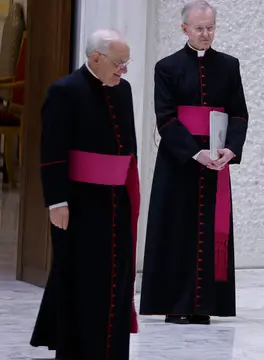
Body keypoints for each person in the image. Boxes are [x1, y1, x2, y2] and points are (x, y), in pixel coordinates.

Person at [30, 29, 139, 359]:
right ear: (95, 58)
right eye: (119, 63)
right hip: (78, 203)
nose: (124, 70)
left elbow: (128, 147)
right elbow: (52, 151)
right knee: (82, 279)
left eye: (126, 62)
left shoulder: (124, 91)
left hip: (116, 201)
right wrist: (57, 201)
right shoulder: (64, 91)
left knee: (117, 280)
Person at [140, 0, 249, 325]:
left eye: (211, 27)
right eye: (200, 28)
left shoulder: (229, 65)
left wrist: (230, 149)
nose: (206, 34)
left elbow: (239, 113)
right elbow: (166, 120)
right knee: (176, 230)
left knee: (209, 233)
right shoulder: (167, 67)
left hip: (216, 162)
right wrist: (195, 153)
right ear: (184, 28)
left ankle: (204, 306)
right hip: (179, 162)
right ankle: (175, 304)